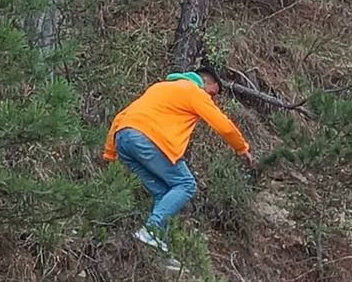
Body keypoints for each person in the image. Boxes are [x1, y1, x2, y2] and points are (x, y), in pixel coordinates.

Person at [102, 67, 254, 262]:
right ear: (204, 82)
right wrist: (242, 148)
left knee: (163, 192)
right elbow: (223, 125)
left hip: (124, 139)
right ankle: (151, 228)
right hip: (148, 140)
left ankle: (157, 251)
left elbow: (121, 116)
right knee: (186, 184)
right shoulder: (193, 91)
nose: (211, 99)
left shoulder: (160, 87)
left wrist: (109, 153)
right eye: (212, 93)